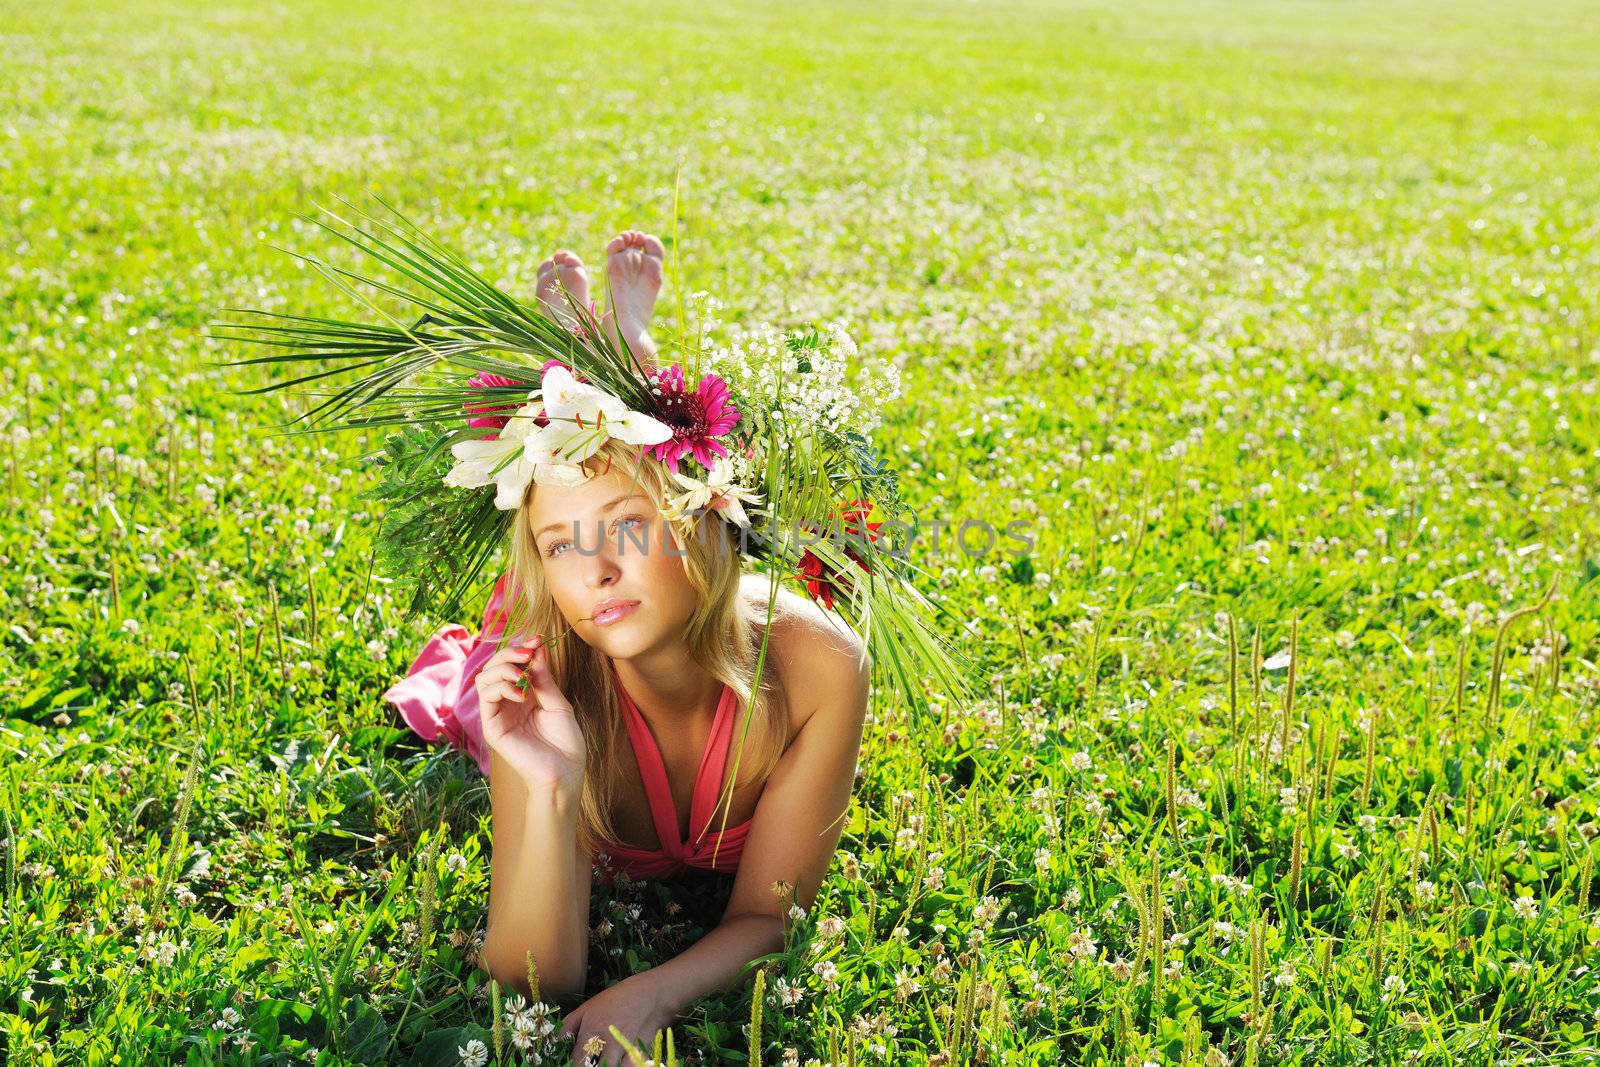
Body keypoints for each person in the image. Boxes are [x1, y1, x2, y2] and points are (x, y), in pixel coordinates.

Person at [384, 232, 872, 1066]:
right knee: (583, 495)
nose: (599, 570)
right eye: (562, 543)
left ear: (701, 519)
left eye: (631, 529)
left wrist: (650, 990)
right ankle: (586, 354)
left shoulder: (820, 664)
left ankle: (619, 350)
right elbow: (531, 981)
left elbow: (769, 914)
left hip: (712, 579)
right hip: (561, 650)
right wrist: (549, 782)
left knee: (647, 442)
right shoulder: (544, 685)